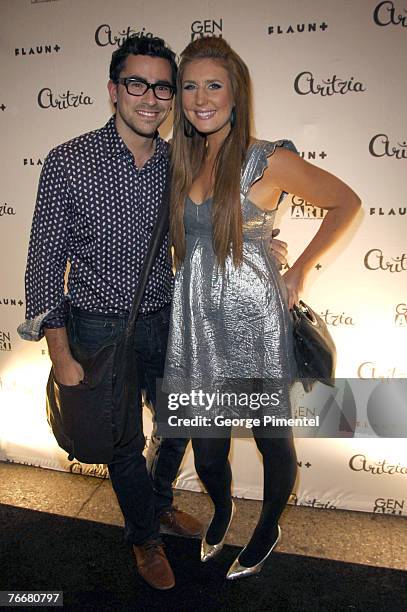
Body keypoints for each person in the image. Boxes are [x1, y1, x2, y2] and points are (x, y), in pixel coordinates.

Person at [163, 37, 361, 580]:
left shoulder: (266, 157)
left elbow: (346, 202)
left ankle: (268, 523)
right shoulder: (181, 157)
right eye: (190, 86)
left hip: (253, 316)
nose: (201, 98)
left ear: (235, 93)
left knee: (272, 436)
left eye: (214, 85)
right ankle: (224, 507)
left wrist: (298, 269)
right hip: (197, 317)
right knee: (207, 447)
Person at [18, 36, 204, 591]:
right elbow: (45, 260)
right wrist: (61, 354)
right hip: (99, 327)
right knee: (121, 442)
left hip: (167, 318)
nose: (150, 97)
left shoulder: (180, 160)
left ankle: (159, 502)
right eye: (136, 83)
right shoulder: (70, 160)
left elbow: (200, 236)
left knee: (179, 423)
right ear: (113, 90)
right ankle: (144, 536)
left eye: (162, 86)